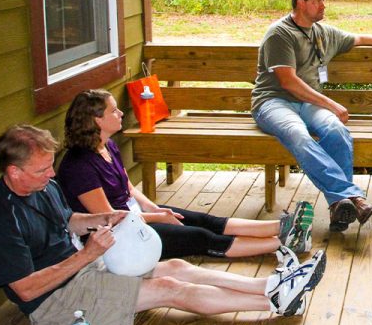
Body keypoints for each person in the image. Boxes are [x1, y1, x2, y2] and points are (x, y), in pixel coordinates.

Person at [0, 125, 326, 325]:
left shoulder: (43, 187)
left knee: (175, 267)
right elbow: (28, 290)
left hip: (86, 266)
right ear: (14, 172)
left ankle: (272, 284)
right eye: (42, 170)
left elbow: (66, 221)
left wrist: (98, 219)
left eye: (51, 167)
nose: (52, 175)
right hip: (56, 301)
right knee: (170, 288)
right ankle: (273, 302)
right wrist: (89, 255)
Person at [251, 0, 372, 232]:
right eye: (319, 0)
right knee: (298, 135)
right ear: (301, 3)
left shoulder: (321, 32)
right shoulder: (280, 34)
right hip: (273, 102)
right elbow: (288, 82)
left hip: (307, 103)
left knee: (336, 131)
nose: (324, 5)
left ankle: (339, 207)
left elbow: (359, 38)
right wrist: (332, 104)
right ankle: (354, 197)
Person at [56, 89, 314, 261]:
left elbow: (129, 189)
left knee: (202, 219)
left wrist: (156, 209)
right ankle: (283, 243)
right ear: (97, 121)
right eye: (114, 111)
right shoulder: (79, 166)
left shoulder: (107, 146)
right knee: (199, 237)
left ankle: (282, 227)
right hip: (120, 238)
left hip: (135, 215)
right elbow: (109, 219)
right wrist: (156, 217)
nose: (121, 113)